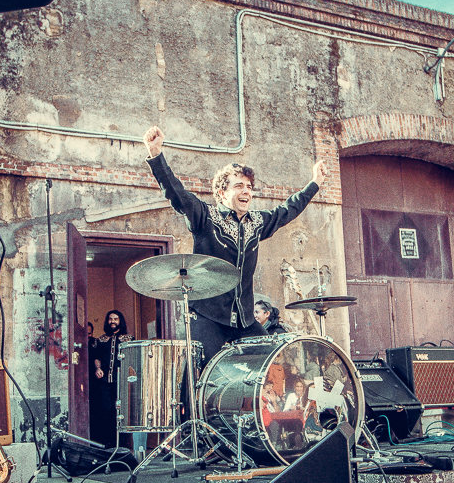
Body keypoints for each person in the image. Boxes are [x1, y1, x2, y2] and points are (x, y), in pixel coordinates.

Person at [143, 124, 329, 371]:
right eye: (238, 186)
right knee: (205, 369)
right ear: (222, 193)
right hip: (208, 316)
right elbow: (177, 194)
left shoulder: (257, 223)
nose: (246, 191)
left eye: (249, 187)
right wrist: (156, 154)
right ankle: (190, 397)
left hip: (244, 320)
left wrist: (315, 182)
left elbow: (288, 209)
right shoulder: (205, 217)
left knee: (271, 363)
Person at [88, 310, 134, 448]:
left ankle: (123, 444)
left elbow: (133, 358)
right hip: (105, 382)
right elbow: (97, 357)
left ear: (120, 321)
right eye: (110, 319)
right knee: (105, 411)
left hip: (121, 381)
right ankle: (108, 443)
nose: (112, 321)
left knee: (121, 411)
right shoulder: (101, 340)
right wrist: (98, 368)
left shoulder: (129, 339)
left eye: (115, 319)